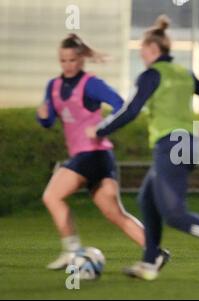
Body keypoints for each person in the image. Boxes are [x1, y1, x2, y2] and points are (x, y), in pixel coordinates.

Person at [87, 15, 199, 281]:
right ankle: (151, 259)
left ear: (154, 50)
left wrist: (100, 130)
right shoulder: (183, 72)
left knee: (174, 214)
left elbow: (130, 110)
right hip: (187, 145)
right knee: (146, 199)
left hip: (169, 146)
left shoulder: (150, 75)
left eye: (143, 50)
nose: (142, 54)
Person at [37, 34, 145, 270]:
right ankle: (154, 252)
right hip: (95, 158)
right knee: (115, 213)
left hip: (93, 154)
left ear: (82, 60)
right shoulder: (53, 86)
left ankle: (72, 251)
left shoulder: (91, 84)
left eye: (73, 60)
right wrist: (43, 116)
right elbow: (49, 120)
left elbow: (120, 105)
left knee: (52, 196)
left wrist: (101, 126)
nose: (68, 65)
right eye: (63, 60)